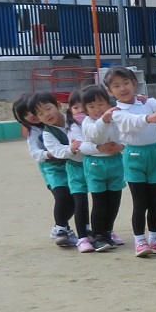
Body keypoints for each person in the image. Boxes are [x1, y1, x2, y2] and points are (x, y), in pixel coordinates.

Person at [106, 66, 156, 258]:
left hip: (155, 154)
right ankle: (139, 240)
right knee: (140, 202)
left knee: (155, 201)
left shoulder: (146, 103)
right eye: (116, 86)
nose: (123, 88)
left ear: (134, 83)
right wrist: (148, 118)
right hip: (134, 157)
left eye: (126, 83)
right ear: (110, 91)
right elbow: (131, 122)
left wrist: (149, 101)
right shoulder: (117, 111)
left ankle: (155, 237)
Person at [16, 92, 76, 249]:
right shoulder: (35, 132)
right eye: (26, 114)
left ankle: (60, 226)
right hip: (52, 167)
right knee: (62, 196)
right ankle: (62, 229)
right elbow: (35, 153)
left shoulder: (62, 121)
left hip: (70, 163)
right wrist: (49, 154)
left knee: (74, 199)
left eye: (34, 111)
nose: (32, 116)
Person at [77, 84, 128, 253]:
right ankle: (98, 235)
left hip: (115, 162)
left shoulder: (116, 118)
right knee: (100, 202)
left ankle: (107, 232)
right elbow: (95, 135)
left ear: (108, 103)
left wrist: (121, 146)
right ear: (85, 109)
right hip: (95, 165)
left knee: (114, 201)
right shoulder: (88, 123)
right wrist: (104, 120)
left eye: (100, 104)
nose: (97, 109)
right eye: (91, 106)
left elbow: (126, 135)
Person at [63, 91, 92, 251]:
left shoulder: (95, 122)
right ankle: (82, 237)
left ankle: (103, 231)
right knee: (80, 201)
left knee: (100, 200)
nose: (80, 111)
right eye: (75, 108)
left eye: (83, 107)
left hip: (93, 165)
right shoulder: (72, 127)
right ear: (70, 110)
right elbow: (82, 145)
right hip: (76, 167)